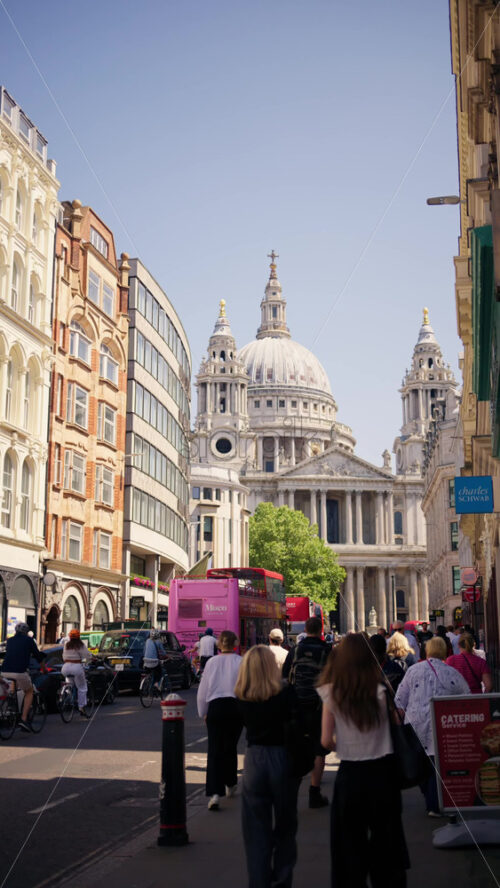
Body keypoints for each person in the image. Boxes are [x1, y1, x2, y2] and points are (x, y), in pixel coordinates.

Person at [318, 633, 410, 888]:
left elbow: (325, 740)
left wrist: (345, 745)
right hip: (383, 773)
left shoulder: (331, 692)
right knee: (387, 841)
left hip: (350, 774)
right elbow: (397, 722)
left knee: (348, 845)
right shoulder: (381, 690)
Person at [235, 645, 301, 888]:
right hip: (281, 756)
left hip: (254, 758)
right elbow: (298, 723)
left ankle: (259, 882)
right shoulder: (286, 692)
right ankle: (282, 881)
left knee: (255, 831)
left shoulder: (242, 696)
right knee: (285, 826)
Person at [395, 636, 469, 816]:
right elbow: (466, 696)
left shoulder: (413, 670)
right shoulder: (451, 672)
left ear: (427, 650)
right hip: (442, 724)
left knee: (421, 762)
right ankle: (433, 802)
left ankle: (431, 801)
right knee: (436, 763)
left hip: (415, 723)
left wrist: (399, 722)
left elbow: (399, 700)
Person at [283, 616, 330, 808]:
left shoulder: (295, 650)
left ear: (306, 630)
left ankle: (291, 792)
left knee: (295, 746)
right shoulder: (327, 650)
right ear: (320, 630)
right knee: (319, 749)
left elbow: (285, 677)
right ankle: (314, 792)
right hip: (319, 705)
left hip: (296, 705)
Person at [197, 629, 242, 810]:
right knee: (230, 746)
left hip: (215, 707)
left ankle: (215, 794)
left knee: (215, 749)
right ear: (235, 644)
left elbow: (203, 690)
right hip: (235, 706)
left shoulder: (212, 662)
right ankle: (230, 782)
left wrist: (203, 712)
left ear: (219, 644)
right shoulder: (240, 661)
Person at [1, 622, 45, 732]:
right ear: (26, 631)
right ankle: (23, 719)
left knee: (14, 686)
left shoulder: (10, 640)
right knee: (29, 692)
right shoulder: (29, 640)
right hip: (20, 672)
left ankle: (11, 703)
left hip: (4, 671)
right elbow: (38, 656)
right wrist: (44, 669)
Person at [62, 629, 93, 716]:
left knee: (69, 684)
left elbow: (63, 657)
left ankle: (68, 696)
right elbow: (86, 656)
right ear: (79, 636)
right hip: (76, 667)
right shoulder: (80, 645)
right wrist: (88, 660)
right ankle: (81, 707)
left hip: (65, 667)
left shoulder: (66, 645)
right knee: (82, 687)